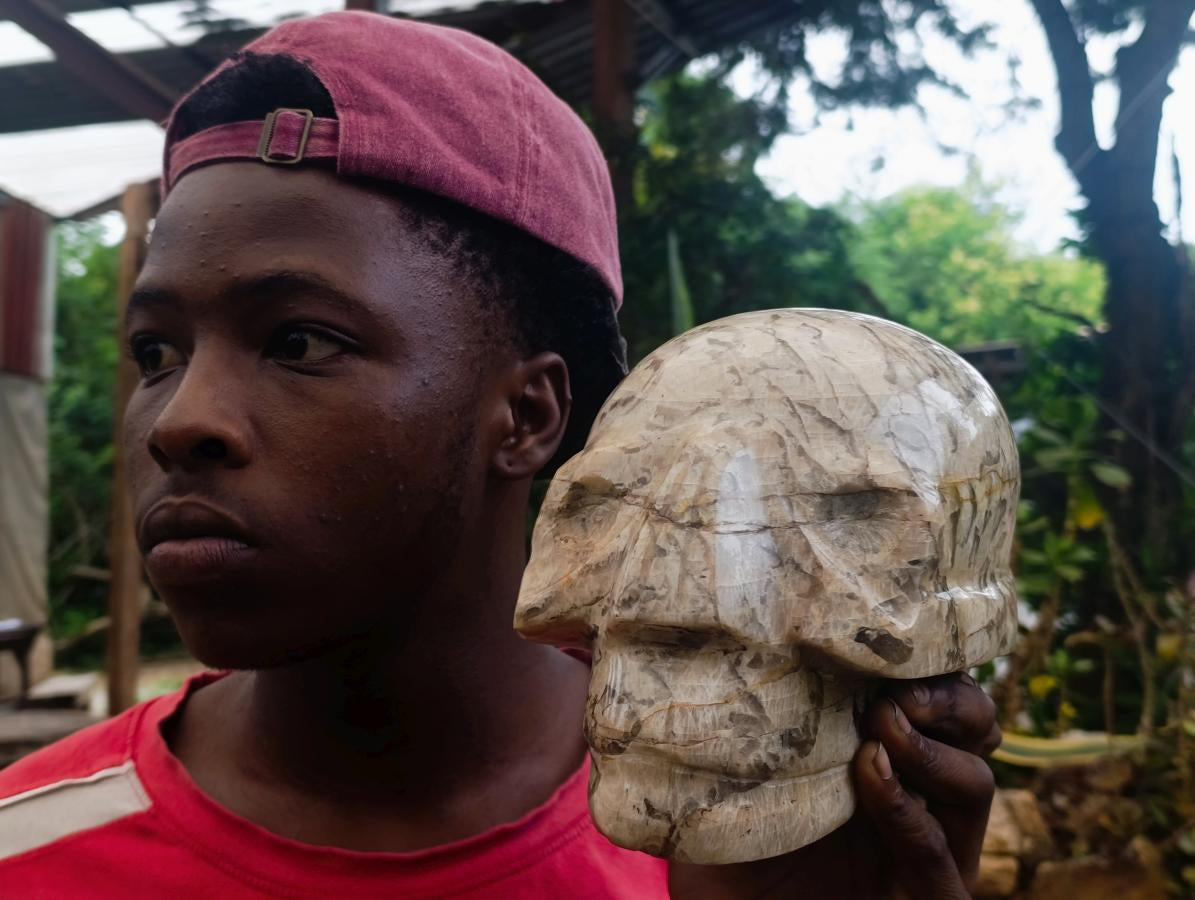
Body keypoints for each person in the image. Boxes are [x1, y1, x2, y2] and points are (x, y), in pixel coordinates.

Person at [0, 11, 1000, 899]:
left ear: (526, 415)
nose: (180, 420)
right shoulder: (28, 852)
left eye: (297, 340)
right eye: (155, 352)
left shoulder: (757, 849)